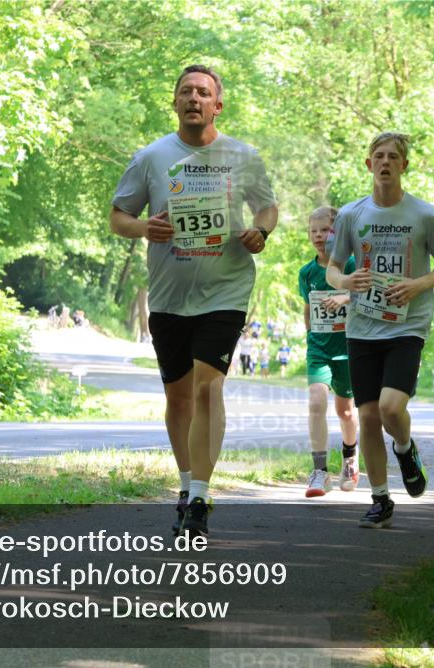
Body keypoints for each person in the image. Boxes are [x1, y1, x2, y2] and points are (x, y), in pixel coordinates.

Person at [110, 64, 278, 537]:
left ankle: (201, 496)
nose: (194, 98)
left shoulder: (242, 156)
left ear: (217, 105)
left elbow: (267, 206)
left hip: (225, 288)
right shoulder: (151, 157)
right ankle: (186, 484)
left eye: (203, 92)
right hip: (168, 294)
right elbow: (119, 216)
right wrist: (145, 227)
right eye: (185, 91)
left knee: (209, 387)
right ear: (175, 102)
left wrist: (259, 230)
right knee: (178, 398)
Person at [327, 131, 434, 528]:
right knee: (367, 417)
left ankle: (404, 448)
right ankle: (380, 497)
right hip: (362, 325)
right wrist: (346, 282)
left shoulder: (424, 214)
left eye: (393, 157)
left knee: (390, 408)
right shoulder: (351, 214)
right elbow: (332, 270)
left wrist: (417, 285)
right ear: (369, 164)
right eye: (378, 156)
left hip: (406, 324)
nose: (385, 163)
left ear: (404, 165)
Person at [298, 206, 360, 497]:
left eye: (325, 230)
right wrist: (310, 334)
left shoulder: (349, 265)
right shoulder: (307, 272)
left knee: (345, 410)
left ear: (337, 233)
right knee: (316, 401)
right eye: (314, 231)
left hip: (347, 347)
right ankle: (320, 472)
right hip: (319, 348)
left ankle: (350, 460)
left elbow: (364, 293)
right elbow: (308, 308)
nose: (319, 236)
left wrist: (344, 297)